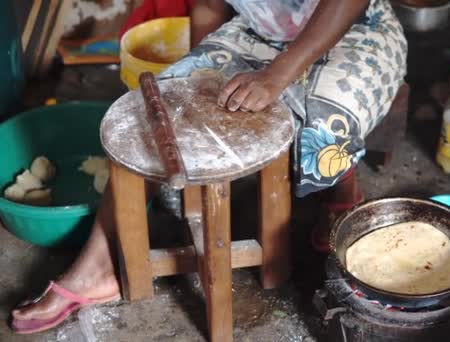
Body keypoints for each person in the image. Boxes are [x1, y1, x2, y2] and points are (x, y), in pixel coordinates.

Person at [11, 0, 407, 334]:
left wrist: (276, 76)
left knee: (323, 127)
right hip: (257, 33)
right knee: (152, 116)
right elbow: (207, 5)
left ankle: (342, 196)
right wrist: (198, 90)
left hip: (356, 31)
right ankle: (95, 266)